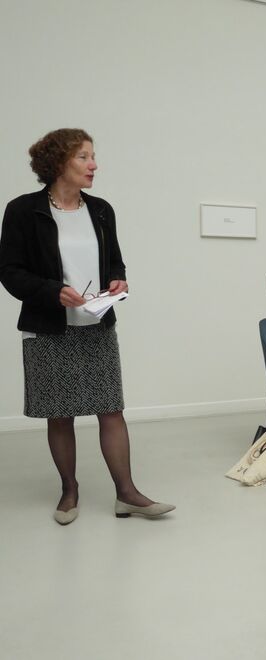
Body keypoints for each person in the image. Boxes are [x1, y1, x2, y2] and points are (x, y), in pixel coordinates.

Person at [0, 128, 174, 524]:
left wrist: (117, 280)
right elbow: (9, 272)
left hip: (97, 324)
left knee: (111, 409)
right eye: (83, 157)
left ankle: (127, 494)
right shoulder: (23, 210)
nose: (93, 165)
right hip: (48, 327)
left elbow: (115, 261)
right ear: (58, 162)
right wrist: (52, 292)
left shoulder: (101, 210)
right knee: (60, 414)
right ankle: (69, 491)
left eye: (92, 156)